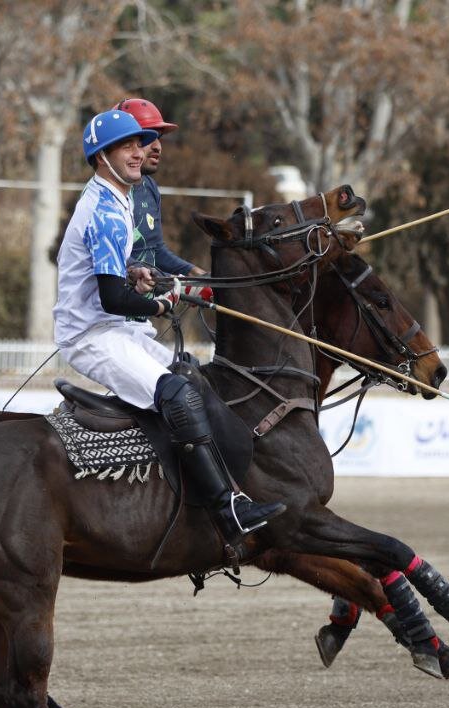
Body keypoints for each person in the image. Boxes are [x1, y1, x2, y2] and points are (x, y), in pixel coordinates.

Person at [53, 109, 285, 542]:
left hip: (111, 327)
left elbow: (114, 275)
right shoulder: (103, 209)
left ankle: (222, 491)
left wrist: (135, 269)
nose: (140, 152)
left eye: (140, 144)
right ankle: (224, 509)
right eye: (129, 145)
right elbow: (111, 298)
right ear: (102, 156)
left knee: (190, 379)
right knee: (174, 392)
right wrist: (161, 303)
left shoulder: (119, 195)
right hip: (90, 335)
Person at [112, 98, 208, 279]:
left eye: (159, 137)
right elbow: (112, 256)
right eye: (147, 137)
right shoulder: (105, 195)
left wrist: (195, 273)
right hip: (111, 306)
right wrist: (168, 281)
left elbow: (155, 250)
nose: (157, 146)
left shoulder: (149, 187)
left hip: (145, 304)